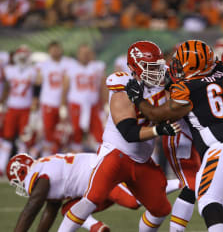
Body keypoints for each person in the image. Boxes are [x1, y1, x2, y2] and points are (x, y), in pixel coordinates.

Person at [125, 40, 223, 232]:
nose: (176, 64)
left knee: (208, 201)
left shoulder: (188, 89)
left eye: (180, 61)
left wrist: (137, 99)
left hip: (220, 148)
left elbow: (157, 114)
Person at [58, 41, 181, 232]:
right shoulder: (123, 85)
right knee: (93, 198)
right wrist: (158, 130)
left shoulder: (165, 77)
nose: (157, 71)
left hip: (141, 159)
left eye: (158, 66)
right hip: (116, 153)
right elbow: (129, 133)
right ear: (134, 67)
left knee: (160, 209)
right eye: (150, 67)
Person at [6, 153, 178, 232]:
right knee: (68, 210)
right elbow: (50, 210)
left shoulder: (39, 174)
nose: (19, 186)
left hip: (102, 175)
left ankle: (182, 183)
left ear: (21, 172)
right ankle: (96, 228)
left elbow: (33, 206)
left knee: (133, 202)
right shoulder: (45, 168)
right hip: (91, 187)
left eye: (17, 182)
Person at [0, 45, 37, 175]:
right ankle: (1, 166)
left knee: (24, 138)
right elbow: (6, 87)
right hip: (11, 107)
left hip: (26, 109)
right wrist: (2, 103)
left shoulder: (33, 71)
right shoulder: (9, 69)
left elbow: (38, 87)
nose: (22, 57)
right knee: (7, 137)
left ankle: (22, 168)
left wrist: (35, 102)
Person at [35, 41, 73, 156]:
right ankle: (46, 161)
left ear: (61, 49)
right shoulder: (44, 65)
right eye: (53, 49)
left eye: (57, 48)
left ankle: (62, 161)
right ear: (49, 51)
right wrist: (35, 100)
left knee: (64, 134)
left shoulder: (69, 63)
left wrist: (64, 103)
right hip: (48, 103)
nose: (55, 51)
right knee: (48, 133)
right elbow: (37, 83)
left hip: (65, 104)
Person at [65, 44, 106, 152]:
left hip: (93, 105)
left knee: (99, 133)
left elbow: (103, 86)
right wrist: (62, 106)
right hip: (76, 104)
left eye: (87, 53)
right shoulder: (71, 67)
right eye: (83, 53)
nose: (85, 56)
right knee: (75, 133)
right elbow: (64, 88)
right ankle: (75, 161)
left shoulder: (97, 67)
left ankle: (100, 161)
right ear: (78, 54)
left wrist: (105, 104)